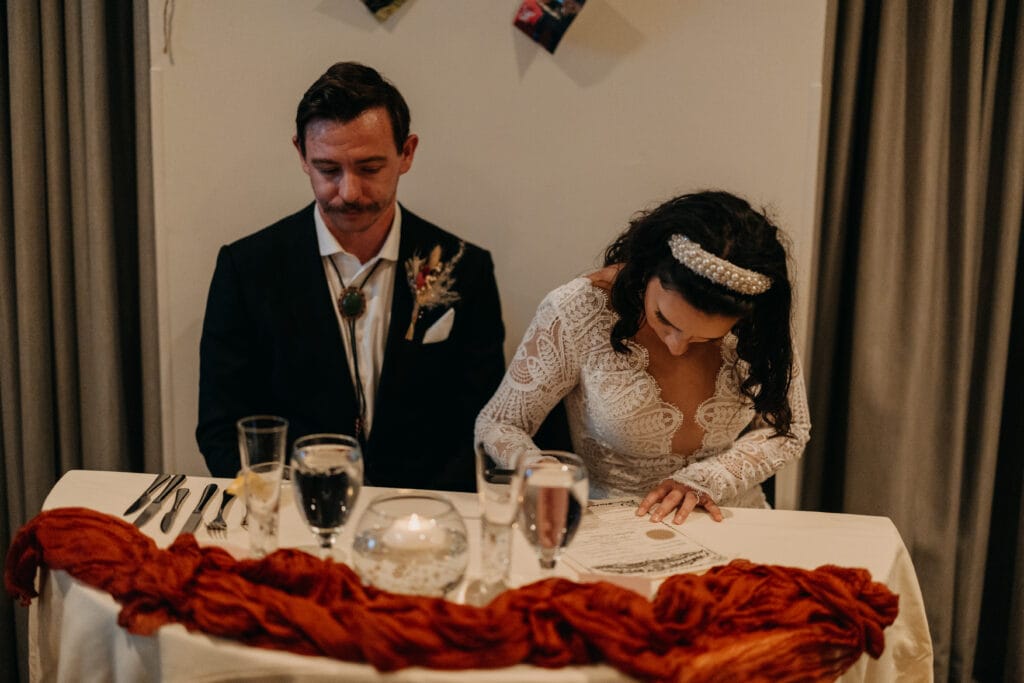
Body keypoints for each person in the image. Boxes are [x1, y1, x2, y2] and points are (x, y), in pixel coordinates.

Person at [197, 62, 505, 491]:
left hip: (426, 515)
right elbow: (222, 425)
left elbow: (485, 419)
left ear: (407, 153)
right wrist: (278, 501)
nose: (349, 192)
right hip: (294, 513)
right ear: (301, 155)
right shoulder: (246, 268)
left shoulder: (465, 267)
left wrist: (423, 509)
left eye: (370, 168)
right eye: (328, 170)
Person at [475, 190, 810, 523]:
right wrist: (540, 471)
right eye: (664, 319)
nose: (677, 346)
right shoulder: (580, 311)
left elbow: (791, 428)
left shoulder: (758, 321)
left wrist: (707, 479)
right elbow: (500, 423)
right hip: (615, 527)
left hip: (735, 520)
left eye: (705, 337)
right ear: (648, 269)